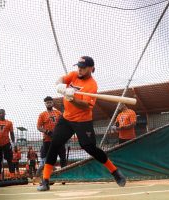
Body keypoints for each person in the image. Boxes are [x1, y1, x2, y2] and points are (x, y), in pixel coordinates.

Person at [37, 56, 126, 191]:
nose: (80, 69)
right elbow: (60, 79)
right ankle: (45, 180)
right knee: (54, 144)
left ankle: (115, 172)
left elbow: (85, 106)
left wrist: (71, 98)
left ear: (91, 69)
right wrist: (60, 85)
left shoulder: (92, 85)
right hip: (66, 119)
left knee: (89, 147)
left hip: (82, 121)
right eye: (78, 66)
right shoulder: (73, 75)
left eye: (83, 68)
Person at [36, 96, 67, 178]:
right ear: (45, 104)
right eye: (47, 103)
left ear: (53, 103)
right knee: (48, 159)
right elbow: (39, 127)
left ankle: (64, 176)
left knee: (63, 158)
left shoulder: (58, 113)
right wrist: (47, 132)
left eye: (50, 102)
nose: (49, 104)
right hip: (47, 140)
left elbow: (64, 123)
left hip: (59, 139)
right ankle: (47, 177)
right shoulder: (42, 115)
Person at [0, 109, 15, 179]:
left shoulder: (9, 123)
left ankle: (12, 175)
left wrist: (13, 143)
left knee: (10, 159)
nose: (1, 114)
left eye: (3, 113)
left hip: (6, 143)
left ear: (5, 114)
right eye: (0, 113)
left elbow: (11, 133)